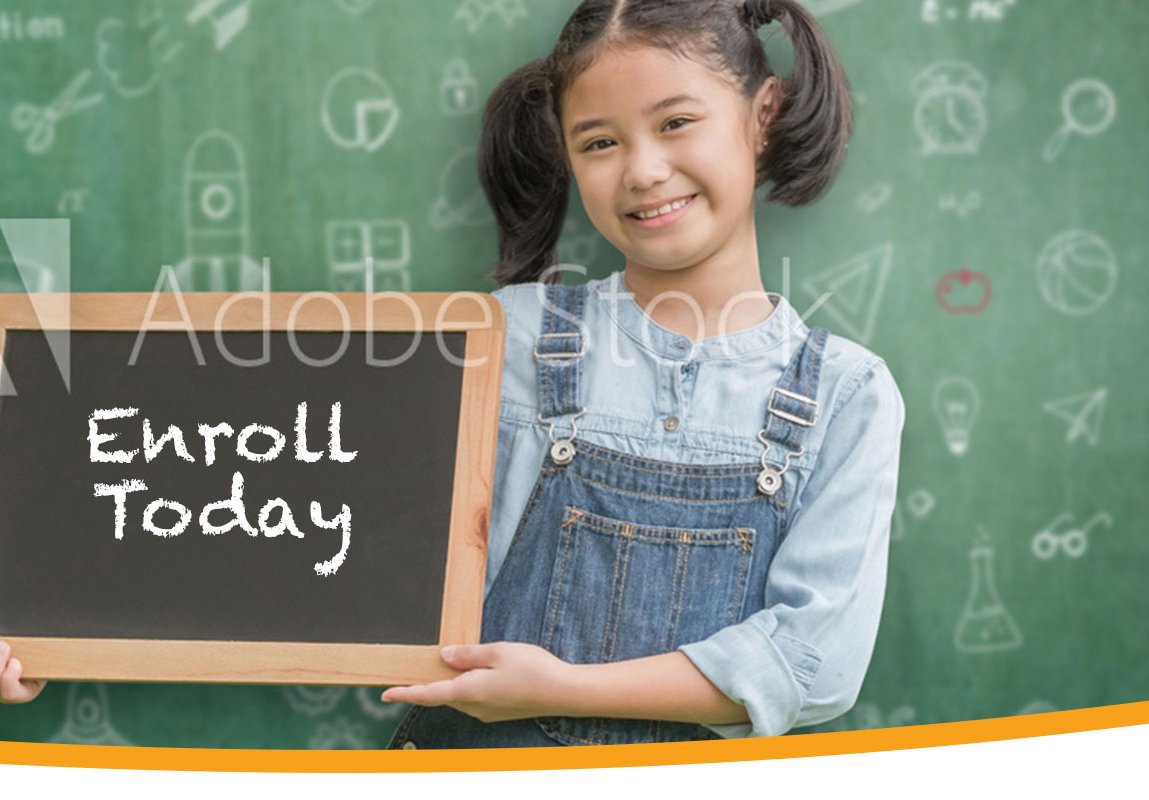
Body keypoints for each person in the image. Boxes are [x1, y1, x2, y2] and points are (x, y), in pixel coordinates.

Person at [376, 0, 905, 747]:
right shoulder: (509, 335)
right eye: (599, 142)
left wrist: (560, 691)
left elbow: (811, 668)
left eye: (676, 123)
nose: (644, 171)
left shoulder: (847, 394)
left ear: (764, 114)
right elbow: (391, 558)